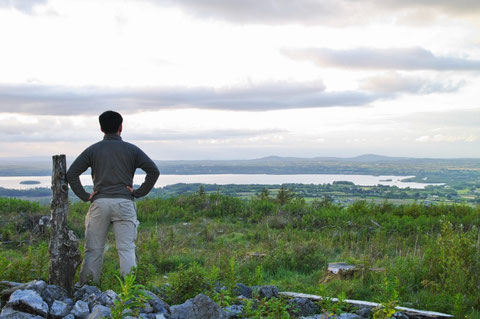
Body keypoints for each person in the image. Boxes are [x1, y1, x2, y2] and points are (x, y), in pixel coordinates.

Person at [67, 110, 160, 284]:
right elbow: (154, 171)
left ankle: (88, 289)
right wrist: (137, 193)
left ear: (101, 129)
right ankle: (129, 291)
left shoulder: (93, 150)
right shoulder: (132, 149)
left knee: (93, 249)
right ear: (121, 127)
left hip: (99, 204)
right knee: (126, 249)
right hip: (124, 203)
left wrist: (86, 196)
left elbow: (71, 173)